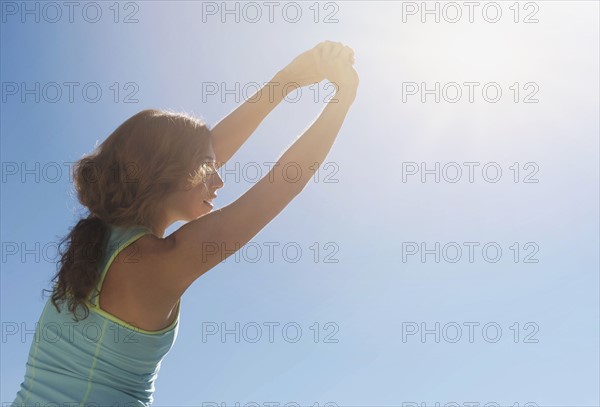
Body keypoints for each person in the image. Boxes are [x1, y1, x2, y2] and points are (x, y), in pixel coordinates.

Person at [11, 40, 359, 406]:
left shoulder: (103, 235)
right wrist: (342, 100)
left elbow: (198, 151)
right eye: (209, 170)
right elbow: (280, 187)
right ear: (168, 174)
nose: (219, 179)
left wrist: (287, 80)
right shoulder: (155, 262)